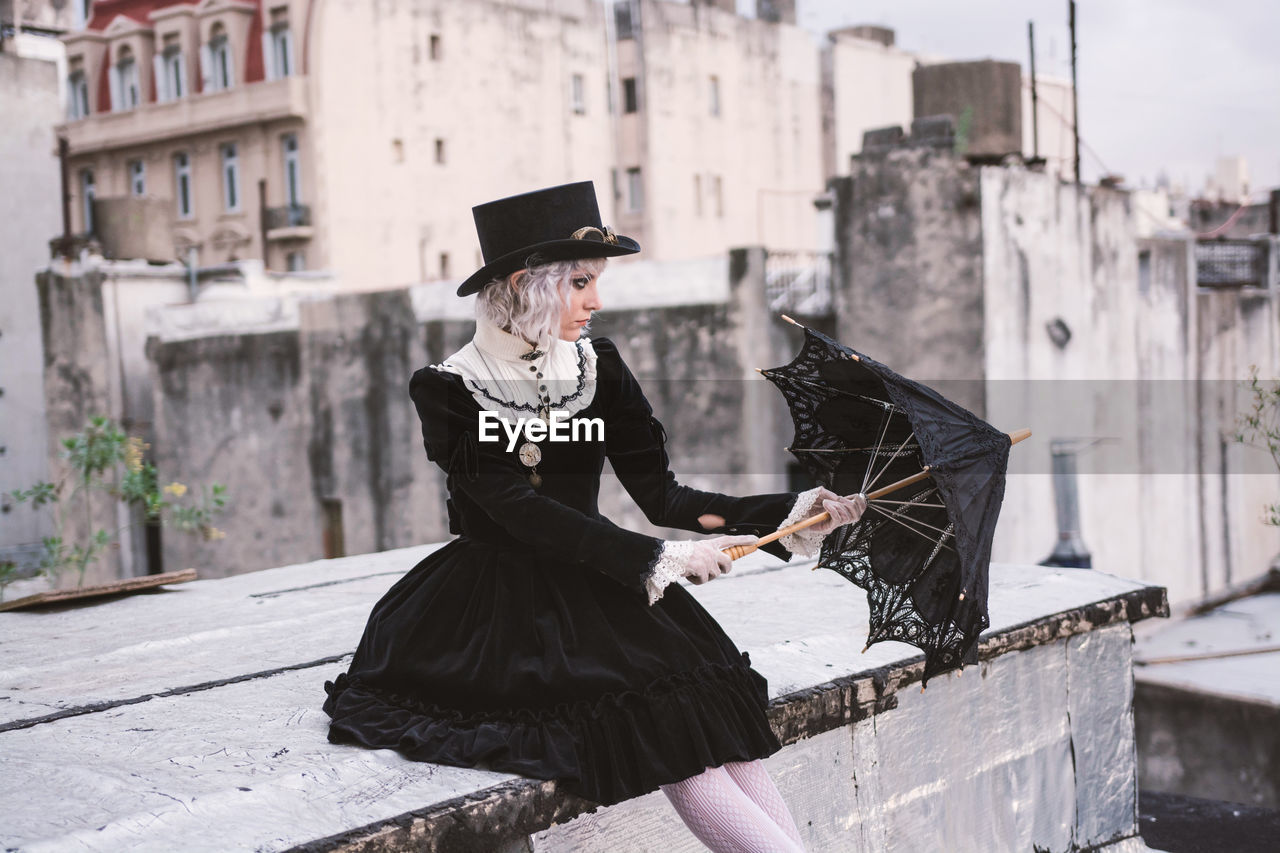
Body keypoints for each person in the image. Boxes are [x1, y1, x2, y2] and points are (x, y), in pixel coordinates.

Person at [323, 182, 865, 853]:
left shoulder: (596, 367)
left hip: (600, 583)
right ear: (527, 283)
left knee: (717, 729)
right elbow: (517, 509)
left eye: (595, 281)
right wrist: (656, 557)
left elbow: (665, 495)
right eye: (581, 281)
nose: (596, 301)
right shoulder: (448, 387)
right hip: (498, 612)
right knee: (678, 742)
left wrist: (792, 511)